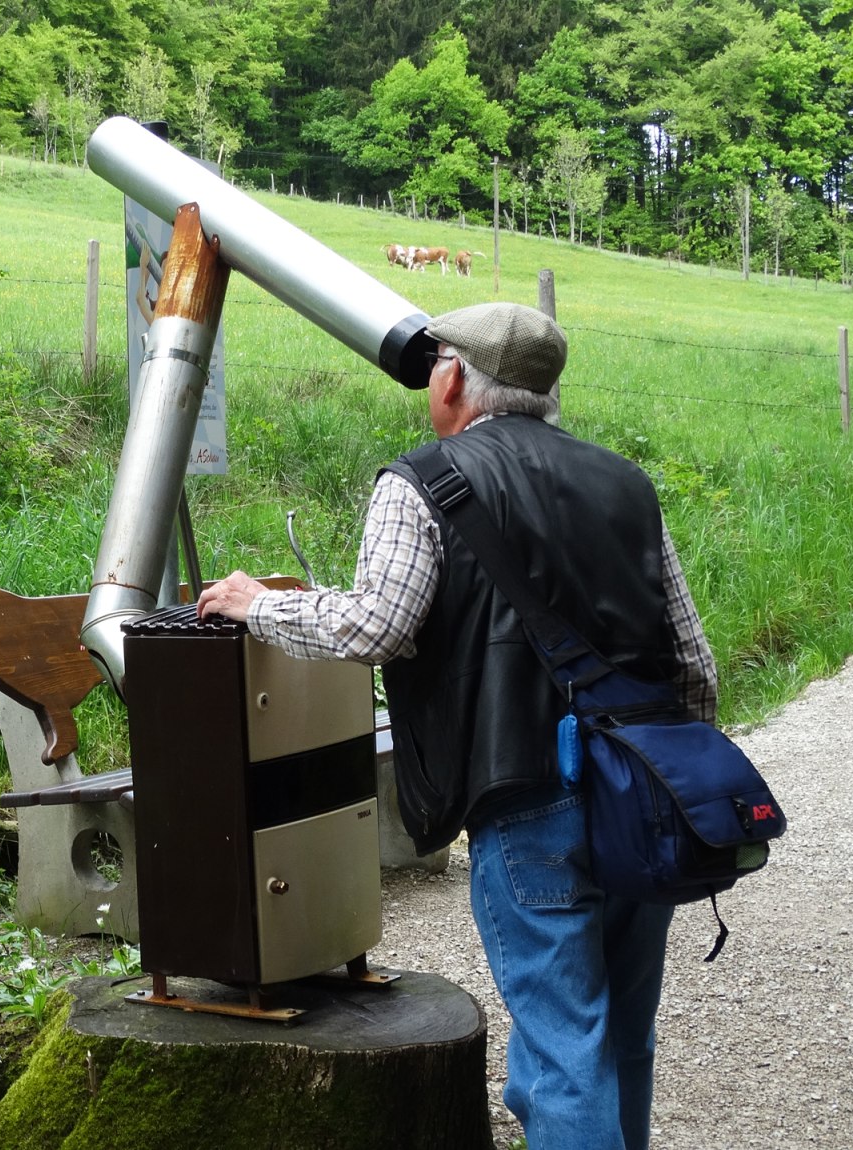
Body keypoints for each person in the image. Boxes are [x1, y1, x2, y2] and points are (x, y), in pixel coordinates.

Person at [195, 302, 718, 1150]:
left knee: (560, 1053)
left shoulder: (420, 480)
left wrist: (258, 609)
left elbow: (378, 626)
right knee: (622, 1033)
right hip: (644, 792)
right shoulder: (626, 483)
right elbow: (695, 664)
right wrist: (668, 779)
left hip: (521, 796)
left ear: (450, 379)